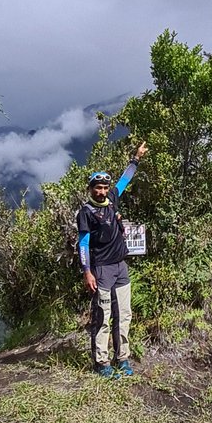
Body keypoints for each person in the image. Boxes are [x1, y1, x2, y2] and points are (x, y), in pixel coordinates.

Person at [77, 142, 148, 378]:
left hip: (120, 267)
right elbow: (84, 243)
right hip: (101, 270)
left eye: (105, 187)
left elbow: (125, 180)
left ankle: (123, 359)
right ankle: (102, 362)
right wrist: (87, 271)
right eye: (98, 187)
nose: (102, 191)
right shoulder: (86, 212)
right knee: (103, 316)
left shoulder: (113, 200)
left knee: (124, 315)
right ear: (90, 189)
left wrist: (136, 158)